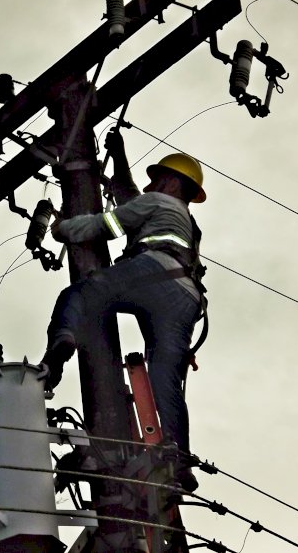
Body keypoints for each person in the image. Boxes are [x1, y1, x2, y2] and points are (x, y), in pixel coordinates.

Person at [40, 129, 207, 491]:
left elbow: (110, 224)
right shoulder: (184, 220)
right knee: (166, 378)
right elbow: (127, 195)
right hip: (186, 298)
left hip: (154, 273)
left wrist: (63, 229)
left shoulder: (158, 203)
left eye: (161, 177)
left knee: (84, 294)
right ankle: (179, 463)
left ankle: (59, 351)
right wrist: (117, 154)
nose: (155, 182)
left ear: (174, 183)